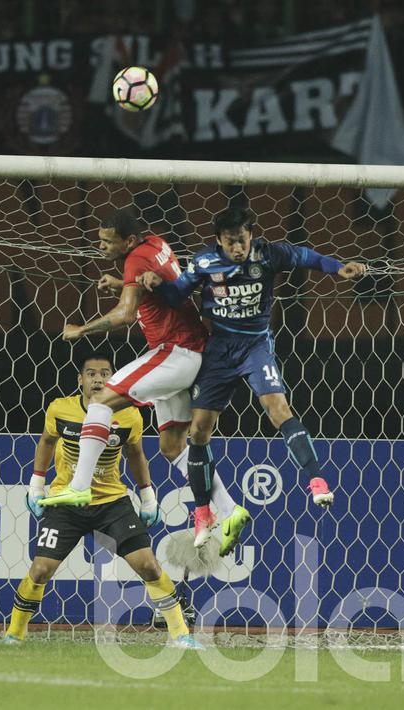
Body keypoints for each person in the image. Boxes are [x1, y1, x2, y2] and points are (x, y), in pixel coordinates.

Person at [138, 205, 366, 543]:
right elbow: (175, 296)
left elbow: (306, 257)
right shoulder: (203, 263)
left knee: (279, 410)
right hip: (218, 350)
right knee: (199, 431)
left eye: (242, 241)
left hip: (255, 347)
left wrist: (338, 268)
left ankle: (317, 481)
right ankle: (203, 512)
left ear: (251, 236)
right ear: (218, 241)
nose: (238, 248)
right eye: (231, 242)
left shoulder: (268, 255)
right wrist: (154, 284)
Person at [41, 207, 250, 557]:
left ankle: (79, 486)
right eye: (99, 240)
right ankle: (230, 512)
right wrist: (124, 286)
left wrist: (82, 330)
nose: (101, 247)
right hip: (191, 353)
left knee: (99, 402)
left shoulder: (135, 260)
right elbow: (152, 291)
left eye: (108, 242)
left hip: (175, 352)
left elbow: (125, 315)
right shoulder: (157, 244)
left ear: (129, 240)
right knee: (172, 446)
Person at [7, 351, 200, 649]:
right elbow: (46, 442)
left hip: (112, 504)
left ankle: (181, 634)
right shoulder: (61, 409)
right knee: (40, 570)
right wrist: (37, 484)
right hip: (65, 503)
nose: (98, 379)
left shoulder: (129, 414)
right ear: (80, 379)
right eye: (91, 373)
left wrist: (147, 496)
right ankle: (14, 634)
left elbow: (136, 454)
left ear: (114, 378)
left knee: (148, 565)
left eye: (105, 373)